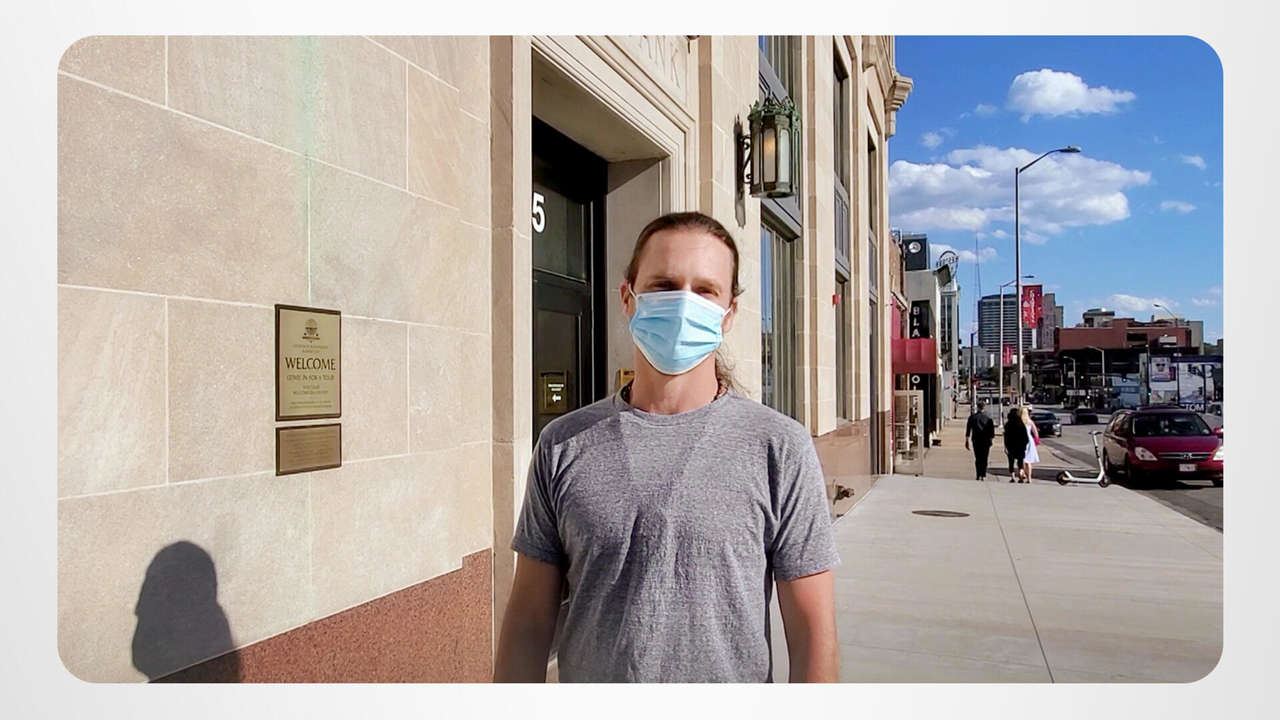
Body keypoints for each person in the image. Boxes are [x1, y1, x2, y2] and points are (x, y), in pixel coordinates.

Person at [493, 212, 840, 683]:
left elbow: (813, 633)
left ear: (729, 314)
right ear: (628, 298)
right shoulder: (562, 444)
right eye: (664, 285)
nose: (683, 304)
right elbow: (529, 620)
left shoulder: (779, 447)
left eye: (705, 290)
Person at [964, 399, 995, 481]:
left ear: (977, 407)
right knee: (985, 458)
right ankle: (983, 475)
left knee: (978, 458)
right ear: (984, 407)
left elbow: (968, 429)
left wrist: (967, 440)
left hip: (976, 440)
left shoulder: (972, 417)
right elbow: (991, 431)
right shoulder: (988, 418)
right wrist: (992, 440)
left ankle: (978, 474)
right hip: (986, 441)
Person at [1003, 407, 1028, 482]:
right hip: (1020, 446)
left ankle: (1012, 477)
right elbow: (1025, 437)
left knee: (1011, 462)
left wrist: (1006, 446)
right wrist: (1024, 445)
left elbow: (1006, 436)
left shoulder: (1008, 425)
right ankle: (1021, 475)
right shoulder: (1021, 424)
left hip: (1011, 446)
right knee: (1020, 462)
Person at [1020, 406, 1040, 482]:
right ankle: (1029, 478)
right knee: (1029, 461)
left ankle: (1022, 474)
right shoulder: (1030, 422)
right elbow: (1036, 433)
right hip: (1029, 441)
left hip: (1021, 440)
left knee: (1022, 459)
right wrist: (1036, 441)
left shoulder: (1019, 422)